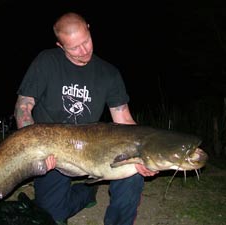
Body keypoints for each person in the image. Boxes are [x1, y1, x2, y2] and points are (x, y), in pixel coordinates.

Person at [14, 12, 157, 225]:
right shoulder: (46, 61)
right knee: (52, 216)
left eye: (86, 41)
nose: (84, 51)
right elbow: (23, 107)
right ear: (61, 46)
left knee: (132, 172)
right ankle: (86, 193)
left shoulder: (108, 73)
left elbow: (124, 119)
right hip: (54, 150)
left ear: (89, 29)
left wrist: (146, 154)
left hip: (95, 147)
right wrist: (36, 151)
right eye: (74, 48)